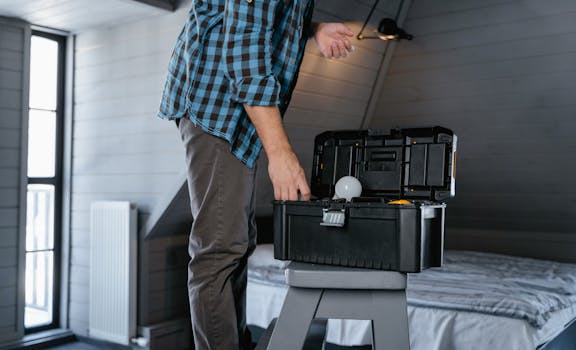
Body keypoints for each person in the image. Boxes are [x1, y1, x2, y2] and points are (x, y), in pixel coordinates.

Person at [157, 0, 354, 349]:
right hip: (215, 103)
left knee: (236, 241)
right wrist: (281, 153)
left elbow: (266, 13)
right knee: (219, 249)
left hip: (236, 111)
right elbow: (245, 47)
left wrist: (313, 29)